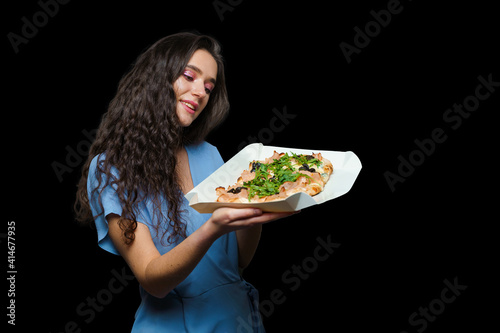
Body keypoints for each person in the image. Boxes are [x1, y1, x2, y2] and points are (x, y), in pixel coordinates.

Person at [74, 32, 295, 332]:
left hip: (237, 319)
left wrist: (256, 205)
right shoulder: (113, 167)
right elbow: (153, 280)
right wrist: (213, 227)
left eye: (208, 86)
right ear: (157, 78)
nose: (201, 92)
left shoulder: (210, 154)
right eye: (189, 76)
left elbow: (238, 260)